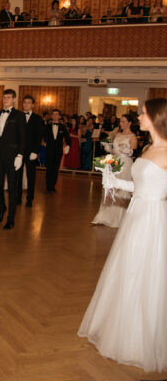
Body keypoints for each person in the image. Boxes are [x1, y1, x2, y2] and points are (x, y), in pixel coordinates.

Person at [79, 98, 167, 373]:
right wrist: (115, 181)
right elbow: (138, 184)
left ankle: (142, 339)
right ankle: (124, 326)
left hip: (153, 217)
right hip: (135, 214)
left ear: (156, 117)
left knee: (147, 274)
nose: (139, 117)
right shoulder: (150, 147)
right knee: (128, 271)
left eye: (143, 114)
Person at [92, 114, 137, 228]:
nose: (121, 124)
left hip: (126, 164)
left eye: (123, 121)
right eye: (120, 122)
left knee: (122, 191)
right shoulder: (117, 134)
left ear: (129, 123)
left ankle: (119, 219)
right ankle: (105, 216)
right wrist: (109, 148)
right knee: (110, 188)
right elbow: (114, 150)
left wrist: (128, 151)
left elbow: (133, 154)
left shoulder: (133, 137)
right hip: (114, 162)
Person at [0, 89, 26, 229]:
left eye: (8, 97)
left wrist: (20, 155)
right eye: (4, 97)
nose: (5, 100)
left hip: (13, 157)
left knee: (12, 188)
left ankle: (11, 218)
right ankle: (2, 208)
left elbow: (23, 137)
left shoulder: (19, 115)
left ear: (13, 100)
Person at [18, 95, 44, 207]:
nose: (26, 104)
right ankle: (17, 198)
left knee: (31, 176)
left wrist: (36, 151)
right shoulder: (17, 116)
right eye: (24, 102)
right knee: (17, 176)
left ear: (33, 104)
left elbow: (39, 136)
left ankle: (30, 199)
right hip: (18, 151)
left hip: (31, 152)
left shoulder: (37, 118)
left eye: (29, 103)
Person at [44, 109, 71, 192]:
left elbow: (68, 138)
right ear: (52, 116)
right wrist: (42, 143)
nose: (55, 116)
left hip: (58, 151)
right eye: (54, 114)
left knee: (55, 169)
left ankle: (53, 186)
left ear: (59, 116)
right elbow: (40, 136)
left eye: (57, 114)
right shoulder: (47, 126)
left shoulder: (63, 127)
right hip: (49, 151)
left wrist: (68, 146)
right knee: (49, 169)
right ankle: (48, 187)